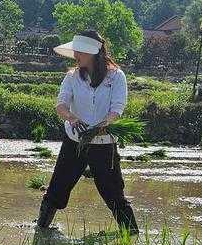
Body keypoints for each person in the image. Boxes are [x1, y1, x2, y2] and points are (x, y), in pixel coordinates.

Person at [36, 30, 138, 234]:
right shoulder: (72, 77)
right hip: (75, 141)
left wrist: (103, 124)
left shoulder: (116, 76)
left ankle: (132, 233)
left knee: (113, 192)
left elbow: (117, 108)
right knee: (57, 188)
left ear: (92, 52)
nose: (76, 56)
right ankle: (40, 230)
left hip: (103, 142)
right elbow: (61, 105)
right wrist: (72, 118)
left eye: (79, 52)